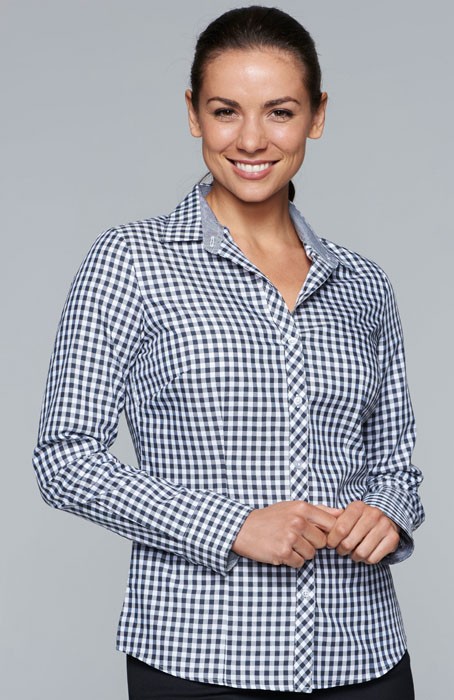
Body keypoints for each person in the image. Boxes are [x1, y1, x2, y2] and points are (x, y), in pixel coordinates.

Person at [32, 6, 425, 699]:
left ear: (317, 115)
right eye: (225, 111)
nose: (251, 139)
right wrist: (232, 526)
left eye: (280, 112)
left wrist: (386, 512)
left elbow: (395, 466)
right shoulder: (130, 262)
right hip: (202, 658)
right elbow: (64, 459)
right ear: (193, 113)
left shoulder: (364, 284)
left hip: (362, 655)